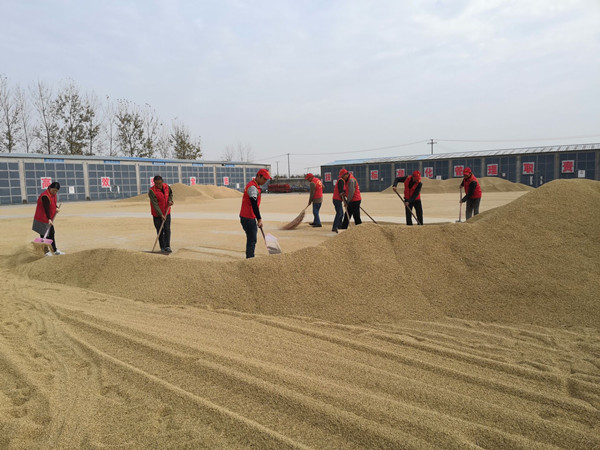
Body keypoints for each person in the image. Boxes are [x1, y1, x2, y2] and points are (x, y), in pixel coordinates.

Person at [240, 168, 271, 258]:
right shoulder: (252, 187)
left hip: (247, 216)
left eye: (266, 180)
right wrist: (259, 219)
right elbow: (254, 204)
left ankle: (250, 257)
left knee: (251, 239)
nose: (265, 181)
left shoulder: (255, 186)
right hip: (248, 218)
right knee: (252, 239)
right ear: (258, 176)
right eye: (264, 179)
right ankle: (250, 259)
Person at [32, 181, 64, 256]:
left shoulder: (53, 195)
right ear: (50, 188)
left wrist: (56, 208)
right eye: (53, 190)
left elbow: (53, 203)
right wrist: (49, 219)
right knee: (44, 234)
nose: (54, 192)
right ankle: (46, 251)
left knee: (51, 233)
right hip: (42, 218)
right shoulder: (45, 196)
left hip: (48, 218)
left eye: (56, 191)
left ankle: (54, 250)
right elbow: (46, 208)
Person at [148, 175, 174, 253]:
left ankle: (167, 246)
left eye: (159, 183)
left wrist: (170, 200)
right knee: (160, 230)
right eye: (156, 183)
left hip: (166, 212)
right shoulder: (152, 191)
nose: (158, 185)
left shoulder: (167, 187)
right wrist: (160, 215)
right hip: (157, 214)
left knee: (167, 229)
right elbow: (155, 204)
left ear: (162, 181)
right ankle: (162, 247)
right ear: (154, 183)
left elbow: (170, 194)